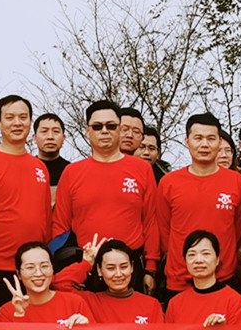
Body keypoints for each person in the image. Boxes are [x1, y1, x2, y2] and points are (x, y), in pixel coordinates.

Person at [52, 100, 160, 290]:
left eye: (111, 126)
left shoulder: (142, 169)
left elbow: (150, 221)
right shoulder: (72, 172)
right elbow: (60, 225)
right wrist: (68, 267)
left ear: (119, 129)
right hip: (86, 266)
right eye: (97, 126)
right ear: (87, 131)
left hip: (129, 267)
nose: (104, 131)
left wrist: (150, 268)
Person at [0, 97, 52, 305]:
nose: (17, 123)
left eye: (23, 117)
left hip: (34, 268)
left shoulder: (39, 167)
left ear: (30, 122)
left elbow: (45, 218)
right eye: (10, 117)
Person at [155, 113, 241, 299]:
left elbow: (238, 228)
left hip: (222, 276)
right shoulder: (169, 183)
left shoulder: (237, 182)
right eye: (198, 138)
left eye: (211, 138)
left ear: (219, 142)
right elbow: (164, 231)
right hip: (180, 278)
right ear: (187, 141)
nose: (205, 144)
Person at [68, 240, 165, 326]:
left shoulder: (151, 305)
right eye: (111, 268)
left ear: (132, 267)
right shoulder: (89, 301)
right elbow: (62, 286)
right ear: (99, 270)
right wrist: (87, 263)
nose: (118, 274)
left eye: (124, 267)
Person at [0, 242, 93, 327]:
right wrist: (19, 315)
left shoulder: (74, 303)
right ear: (19, 274)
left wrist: (85, 329)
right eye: (30, 267)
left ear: (52, 269)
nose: (38, 273)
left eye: (44, 266)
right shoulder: (6, 311)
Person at [164, 231, 241, 326]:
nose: (198, 260)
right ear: (185, 261)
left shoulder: (236, 302)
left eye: (206, 253)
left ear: (217, 259)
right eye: (192, 255)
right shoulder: (175, 304)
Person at [33, 113, 70, 185]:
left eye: (56, 131)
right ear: (35, 138)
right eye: (44, 131)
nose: (50, 137)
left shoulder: (72, 171)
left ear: (63, 138)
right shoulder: (26, 169)